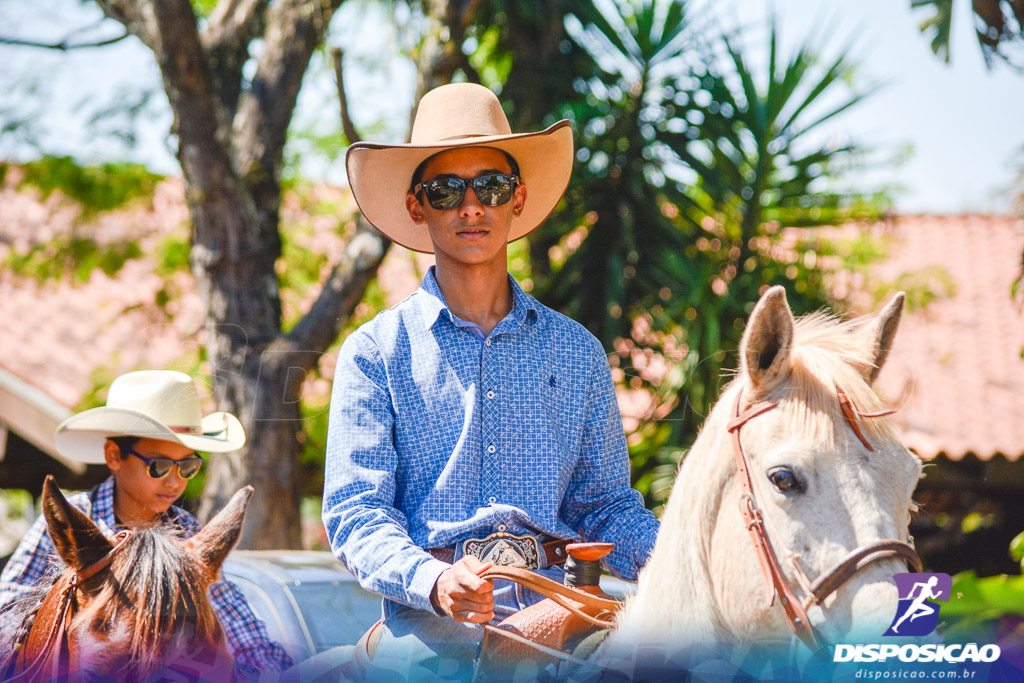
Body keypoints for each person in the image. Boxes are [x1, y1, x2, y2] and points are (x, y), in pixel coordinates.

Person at [322, 83, 660, 679]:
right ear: (417, 206)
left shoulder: (577, 352)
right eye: (447, 190)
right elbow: (356, 513)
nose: (471, 206)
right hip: (430, 634)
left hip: (564, 621)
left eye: (492, 187)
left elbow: (605, 505)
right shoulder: (374, 352)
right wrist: (434, 580)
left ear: (518, 199)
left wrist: (679, 559)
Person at [0, 370, 293, 678]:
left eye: (187, 466)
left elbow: (238, 623)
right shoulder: (73, 518)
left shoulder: (188, 532)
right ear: (114, 455)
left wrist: (277, 672)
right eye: (160, 466)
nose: (175, 481)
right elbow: (7, 609)